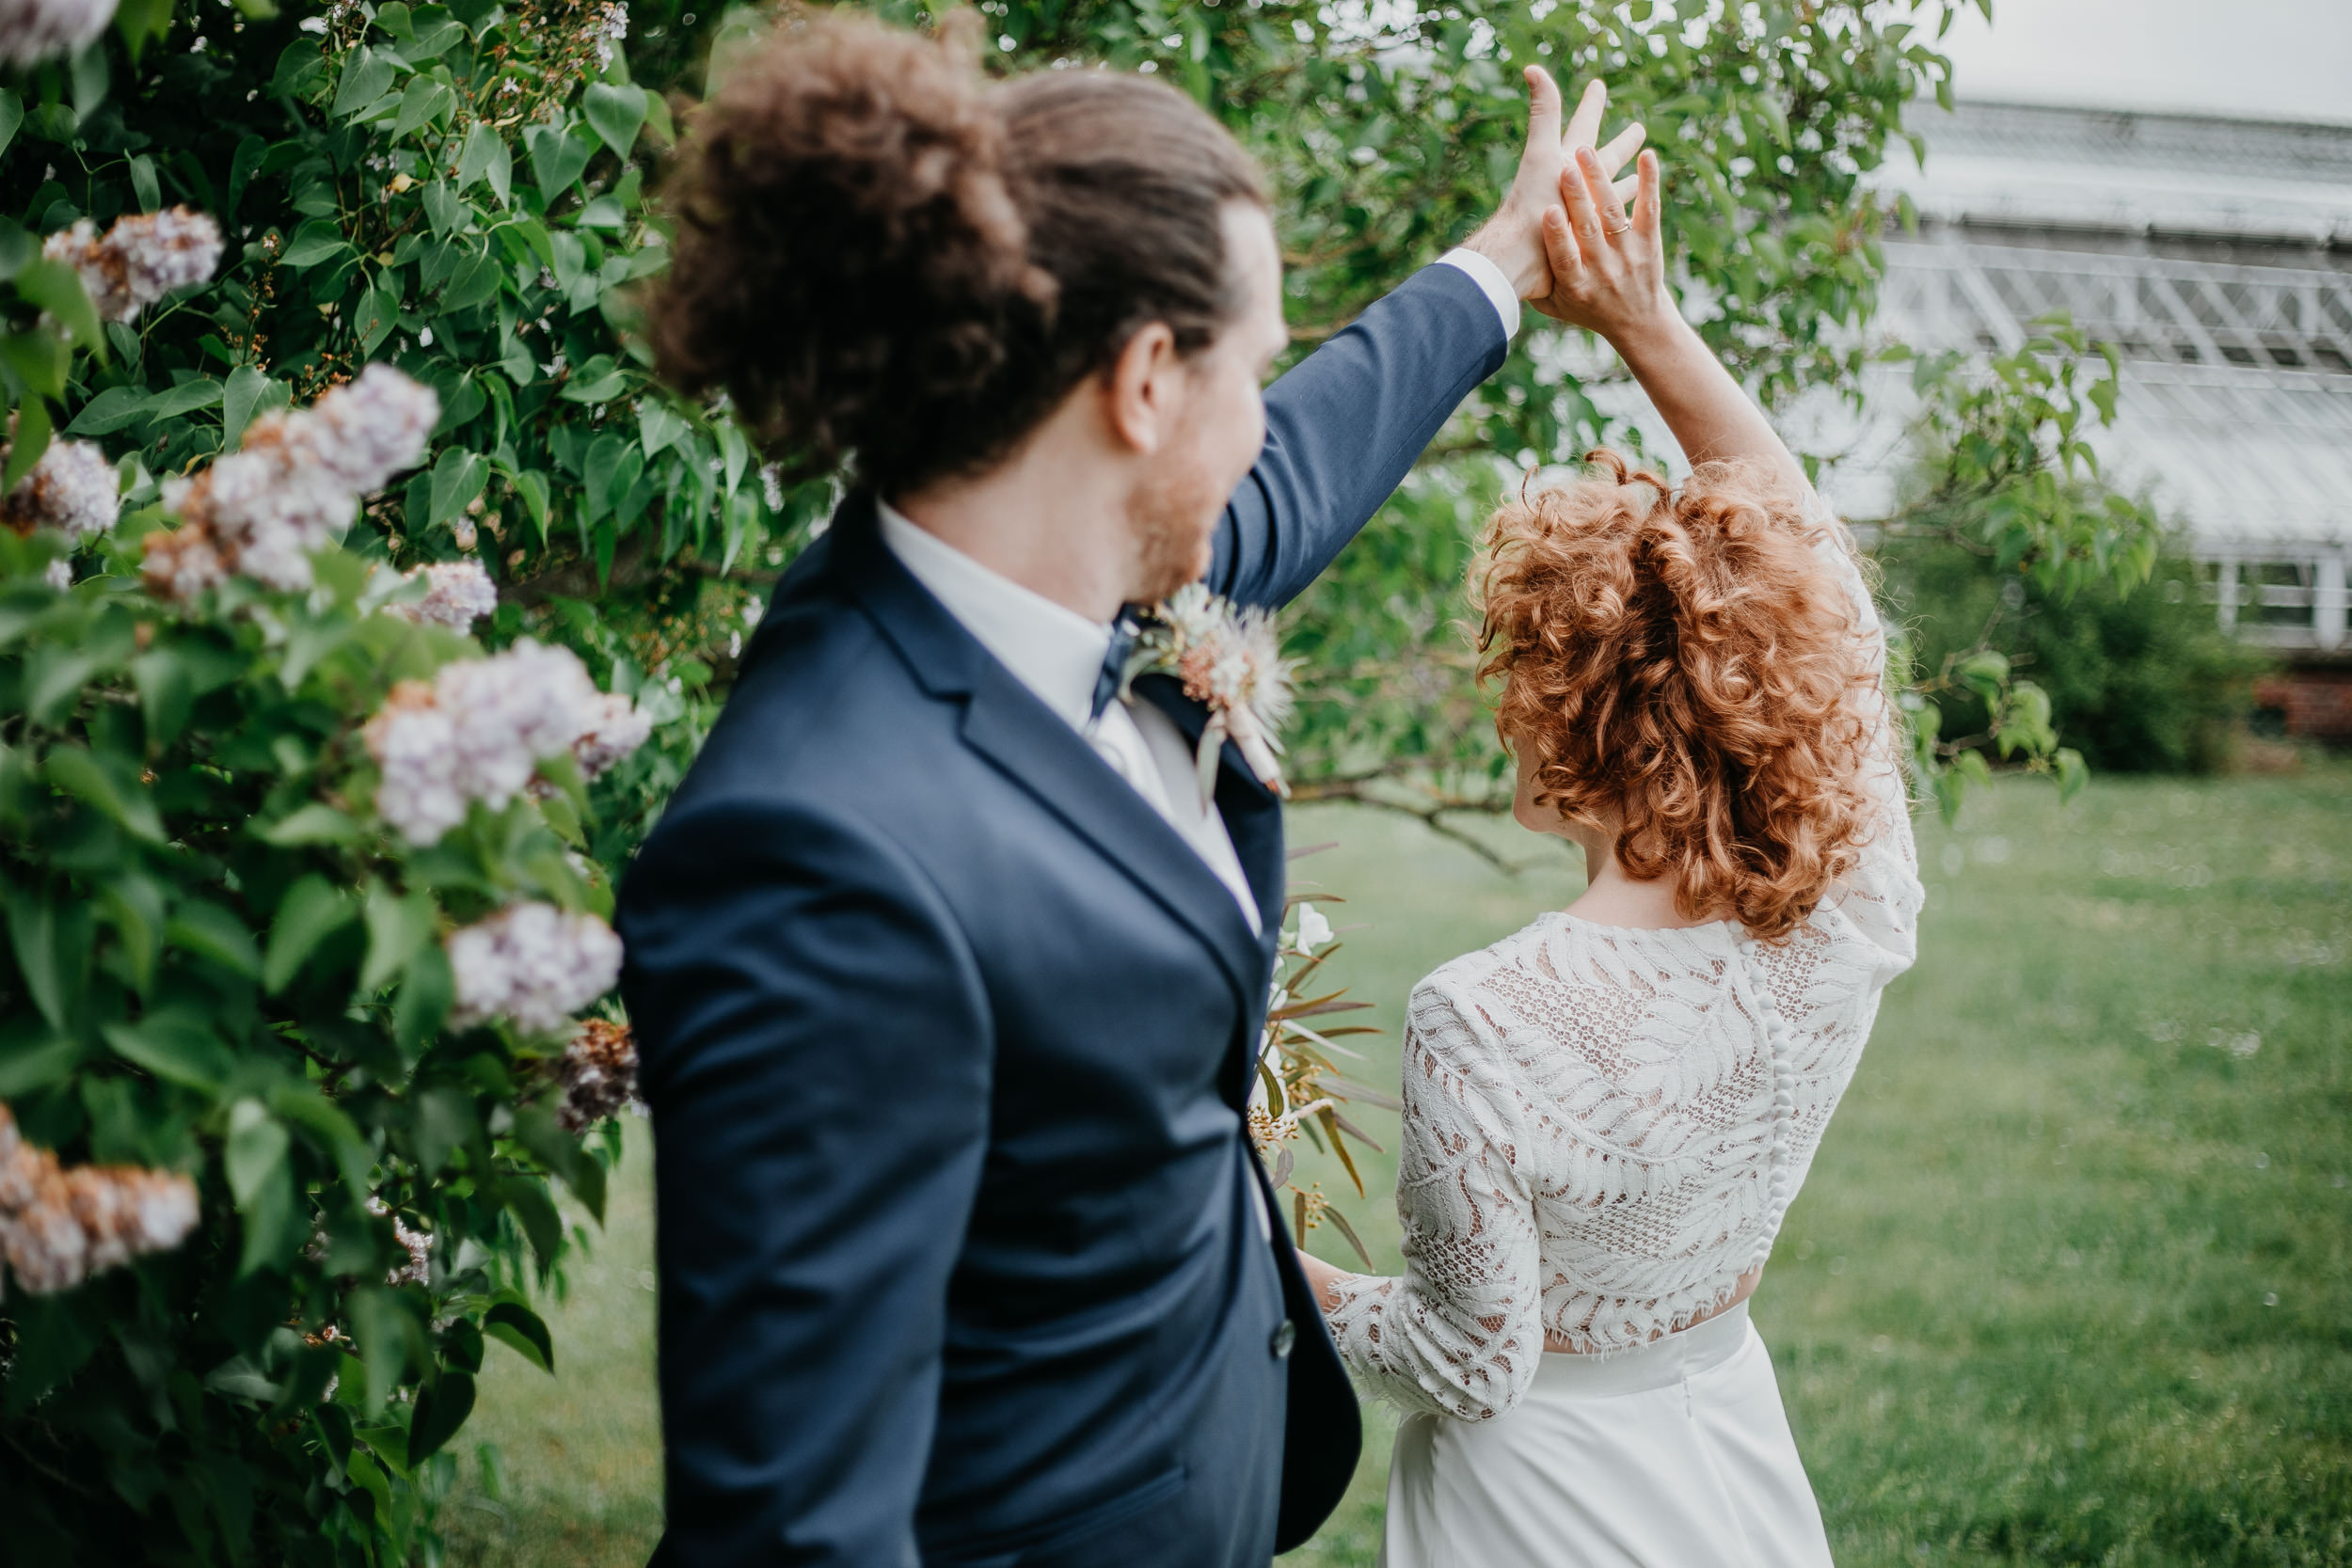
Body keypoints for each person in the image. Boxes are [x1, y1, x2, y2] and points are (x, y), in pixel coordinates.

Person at [616, 10, 1645, 1564]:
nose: (1266, 417)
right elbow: (791, 1530)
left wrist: (1502, 264)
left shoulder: (1050, 554)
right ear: (1146, 382)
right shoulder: (815, 857)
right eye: (1257, 364)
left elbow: (1290, 474)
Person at [1296, 140, 1926, 1566]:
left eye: (1518, 673)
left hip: (1545, 1506)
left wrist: (1291, 1279)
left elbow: (1468, 1365)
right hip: (1726, 1448)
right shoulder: (1846, 910)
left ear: (1575, 720)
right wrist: (1647, 320)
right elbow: (1823, 584)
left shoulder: (1488, 1020)